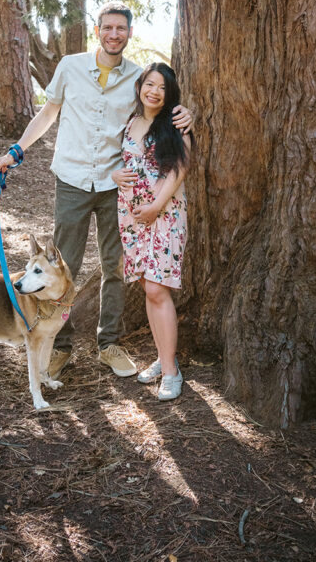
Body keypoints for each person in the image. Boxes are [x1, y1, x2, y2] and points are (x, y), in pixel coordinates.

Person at [0, 1, 192, 380]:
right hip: (71, 179)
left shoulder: (137, 78)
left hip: (117, 187)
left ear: (130, 33)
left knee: (115, 266)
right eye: (108, 27)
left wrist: (185, 114)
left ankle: (109, 343)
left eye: (121, 29)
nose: (114, 34)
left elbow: (156, 110)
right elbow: (48, 112)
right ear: (97, 30)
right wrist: (17, 149)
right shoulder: (70, 67)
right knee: (61, 262)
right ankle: (60, 345)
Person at [111, 63, 190, 401]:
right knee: (149, 288)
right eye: (149, 84)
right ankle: (162, 356)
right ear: (140, 86)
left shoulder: (175, 124)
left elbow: (180, 167)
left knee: (159, 288)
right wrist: (116, 175)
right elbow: (125, 164)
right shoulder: (131, 123)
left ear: (169, 94)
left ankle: (172, 372)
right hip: (132, 216)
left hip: (164, 214)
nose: (154, 91)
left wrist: (157, 204)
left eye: (162, 87)